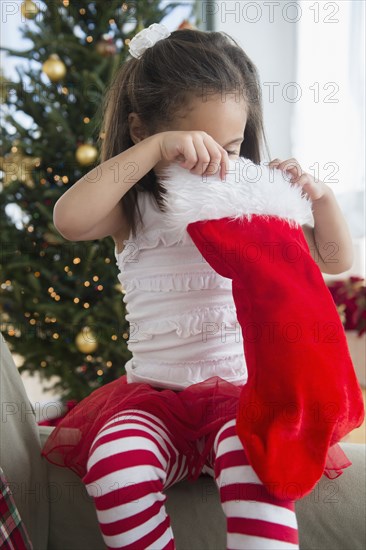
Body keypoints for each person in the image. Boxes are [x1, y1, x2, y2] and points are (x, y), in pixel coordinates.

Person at [41, 24, 355, 550]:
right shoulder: (134, 207)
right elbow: (69, 220)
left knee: (260, 466)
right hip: (151, 400)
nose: (220, 161)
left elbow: (334, 259)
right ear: (141, 132)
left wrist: (319, 199)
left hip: (239, 400)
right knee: (114, 469)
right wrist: (157, 149)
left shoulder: (249, 201)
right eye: (197, 146)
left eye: (232, 144)